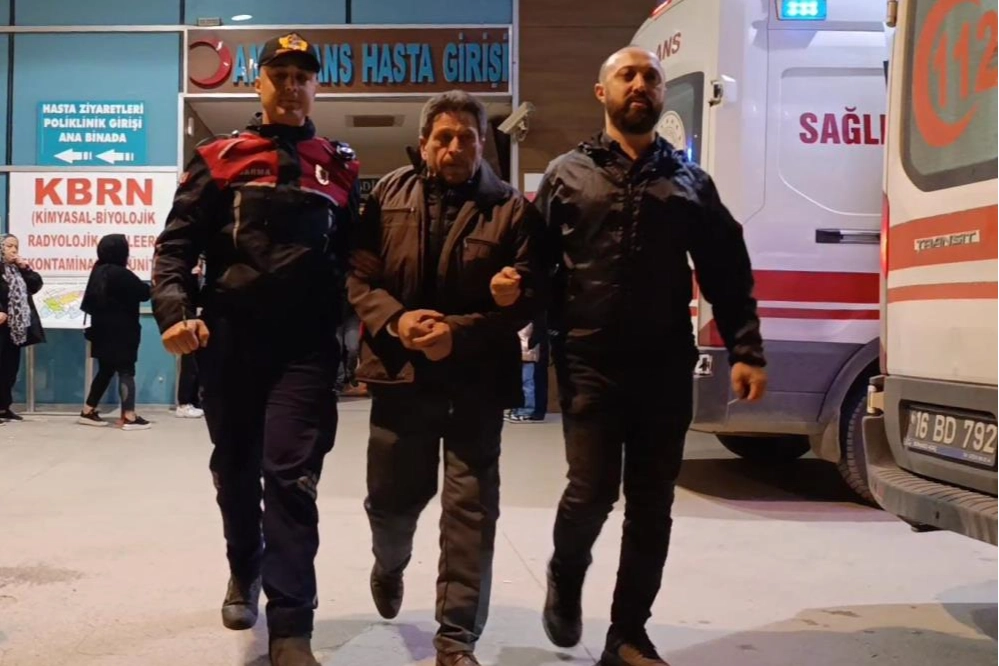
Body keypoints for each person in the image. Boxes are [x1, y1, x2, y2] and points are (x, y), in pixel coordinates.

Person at [534, 47, 768, 666]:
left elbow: (726, 267)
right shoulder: (565, 174)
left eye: (650, 77)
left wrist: (746, 347)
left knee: (651, 504)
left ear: (661, 94)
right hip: (588, 362)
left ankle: (628, 635)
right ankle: (565, 573)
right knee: (590, 492)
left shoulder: (690, 181)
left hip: (664, 366)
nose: (640, 84)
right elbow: (533, 263)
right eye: (627, 76)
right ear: (601, 92)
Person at [150, 31, 360, 666]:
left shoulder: (340, 166)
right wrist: (175, 313)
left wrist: (360, 330)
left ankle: (292, 627)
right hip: (231, 345)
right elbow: (175, 249)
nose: (291, 86)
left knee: (291, 477)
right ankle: (245, 568)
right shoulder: (219, 157)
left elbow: (359, 259)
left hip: (306, 349)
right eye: (280, 75)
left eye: (303, 76)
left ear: (316, 86)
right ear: (259, 82)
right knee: (237, 469)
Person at [346, 89, 545, 666]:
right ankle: (389, 564)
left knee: (471, 512)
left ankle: (456, 639)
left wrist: (461, 329)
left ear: (482, 144)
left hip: (475, 383)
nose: (455, 147)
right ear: (425, 142)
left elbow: (534, 296)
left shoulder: (512, 209)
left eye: (467, 138)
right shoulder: (386, 196)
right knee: (390, 502)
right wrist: (398, 320)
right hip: (400, 377)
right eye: (444, 137)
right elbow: (358, 279)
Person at [78, 234, 152, 430]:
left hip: (101, 332)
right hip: (123, 332)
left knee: (106, 370)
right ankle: (129, 416)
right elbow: (145, 293)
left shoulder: (98, 271)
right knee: (126, 371)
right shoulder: (121, 274)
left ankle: (88, 410)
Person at [0, 233, 45, 421]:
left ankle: (3, 407)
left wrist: (25, 267)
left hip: (14, 327)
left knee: (10, 369)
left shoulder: (16, 270)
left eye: (16, 247)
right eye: (9, 246)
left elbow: (36, 285)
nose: (13, 250)